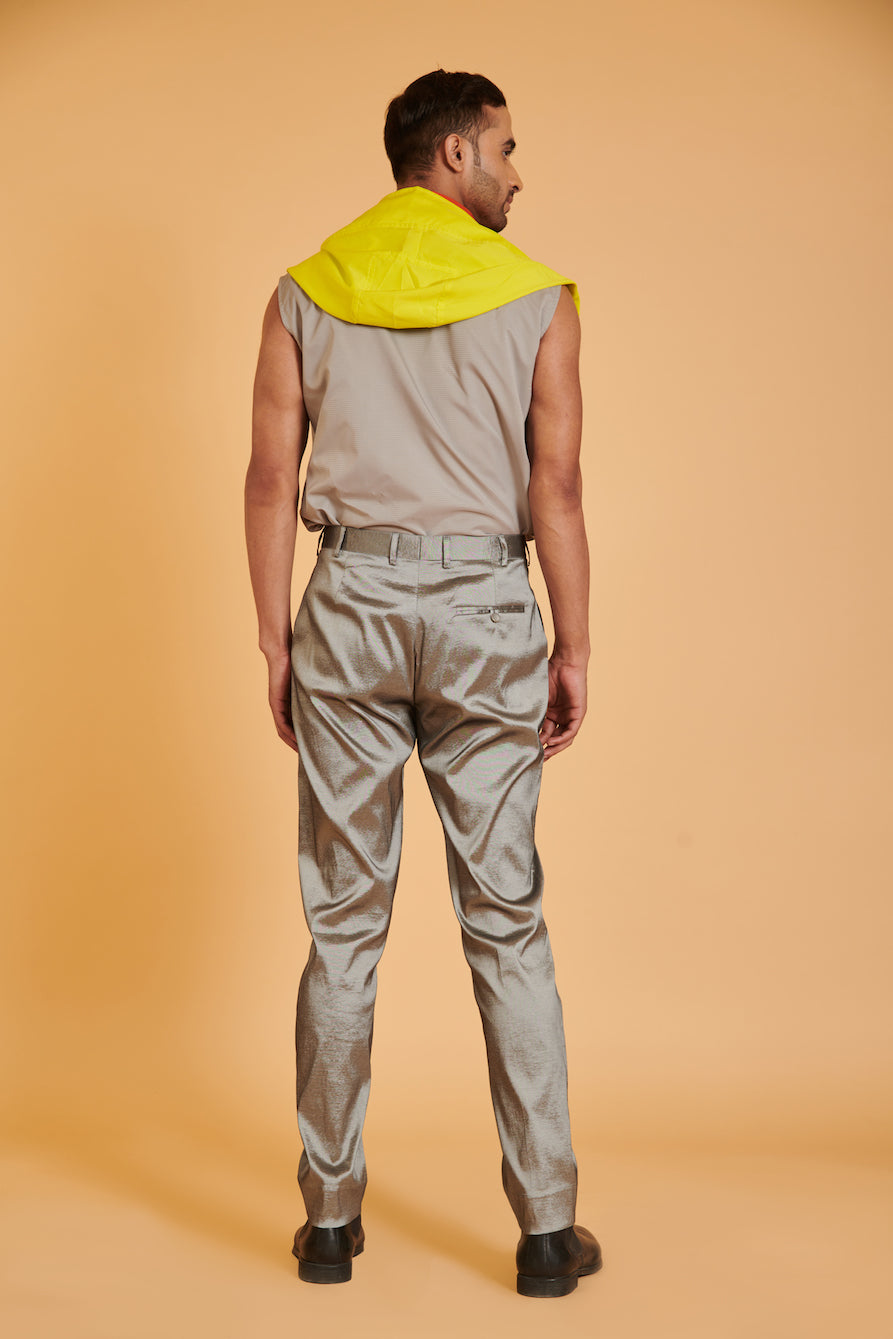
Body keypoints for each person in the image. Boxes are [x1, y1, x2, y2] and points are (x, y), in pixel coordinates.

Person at [245, 69, 602, 1298]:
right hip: (484, 612)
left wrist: (275, 643)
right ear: (452, 154)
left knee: (342, 926)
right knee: (504, 919)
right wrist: (571, 645)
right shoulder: (536, 298)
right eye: (504, 147)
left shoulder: (305, 290)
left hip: (347, 603)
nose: (515, 171)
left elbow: (268, 481)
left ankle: (327, 1223)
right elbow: (554, 489)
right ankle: (546, 1230)